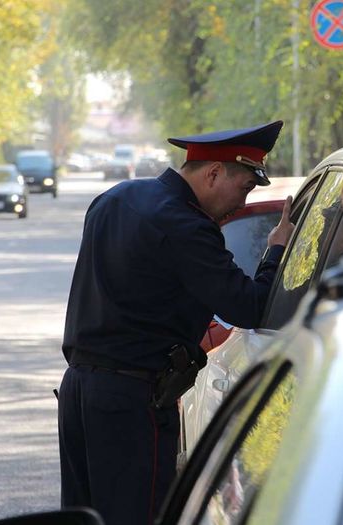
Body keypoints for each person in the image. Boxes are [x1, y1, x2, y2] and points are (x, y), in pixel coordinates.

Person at [58, 121, 294, 524]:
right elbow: (249, 307)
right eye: (245, 187)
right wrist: (275, 250)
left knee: (86, 518)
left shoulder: (114, 199)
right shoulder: (184, 224)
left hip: (79, 394)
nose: (242, 202)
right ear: (215, 173)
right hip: (131, 403)